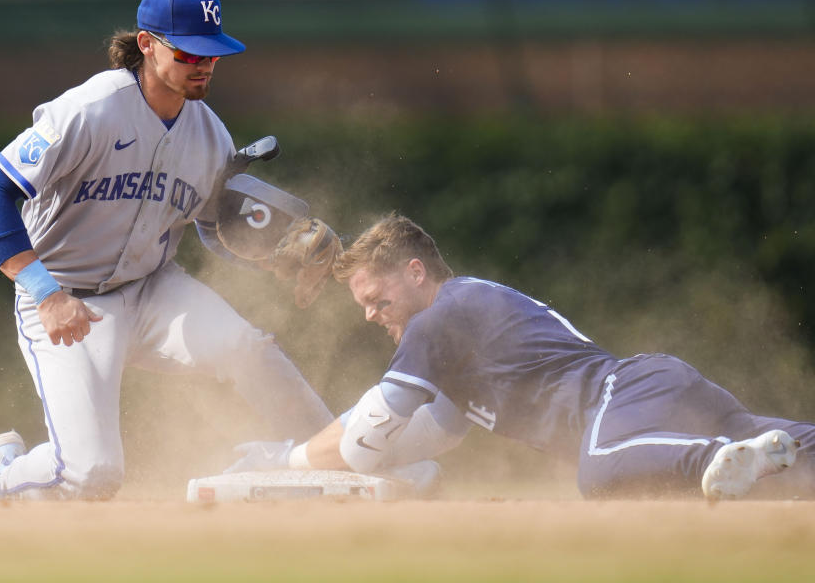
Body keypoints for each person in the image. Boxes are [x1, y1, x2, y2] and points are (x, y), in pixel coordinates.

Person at [0, 0, 334, 500]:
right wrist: (45, 293)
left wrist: (272, 259)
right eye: (188, 53)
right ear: (146, 44)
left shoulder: (210, 134)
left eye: (212, 53)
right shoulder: (89, 110)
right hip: (69, 300)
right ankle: (5, 469)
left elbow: (212, 228)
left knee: (249, 350)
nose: (202, 64)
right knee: (91, 476)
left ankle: (337, 453)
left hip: (153, 288)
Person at [226, 213, 815, 500]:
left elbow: (367, 434)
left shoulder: (439, 317)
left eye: (377, 299)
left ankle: (716, 457)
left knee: (601, 470)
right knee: (786, 450)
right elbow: (408, 438)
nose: (370, 314)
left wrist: (288, 458)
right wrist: (320, 463)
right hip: (654, 397)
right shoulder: (457, 346)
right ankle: (745, 449)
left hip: (627, 399)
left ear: (415, 272)